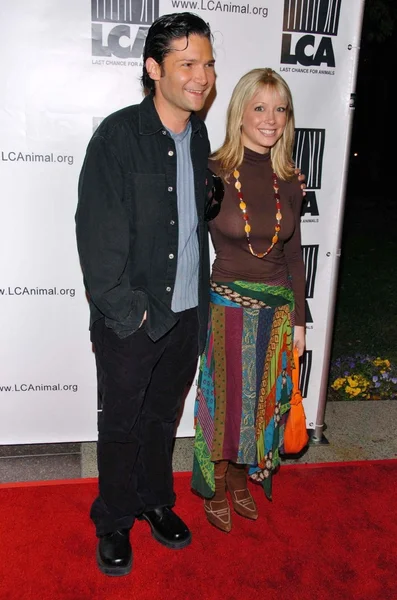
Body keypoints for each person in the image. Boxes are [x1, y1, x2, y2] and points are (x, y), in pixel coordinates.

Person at [75, 12, 220, 576]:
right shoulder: (116, 137)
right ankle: (113, 518)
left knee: (163, 418)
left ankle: (155, 500)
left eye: (207, 64)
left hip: (187, 312)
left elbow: (187, 214)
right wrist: (127, 312)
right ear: (153, 68)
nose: (202, 76)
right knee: (122, 423)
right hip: (134, 320)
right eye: (187, 64)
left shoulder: (199, 132)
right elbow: (98, 238)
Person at [191, 68, 306, 533]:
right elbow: (192, 249)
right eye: (260, 107)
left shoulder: (290, 179)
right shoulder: (212, 172)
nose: (271, 119)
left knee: (261, 404)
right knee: (224, 402)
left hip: (277, 311)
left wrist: (299, 321)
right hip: (225, 308)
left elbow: (294, 255)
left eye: (280, 109)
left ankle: (242, 476)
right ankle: (215, 479)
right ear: (239, 112)